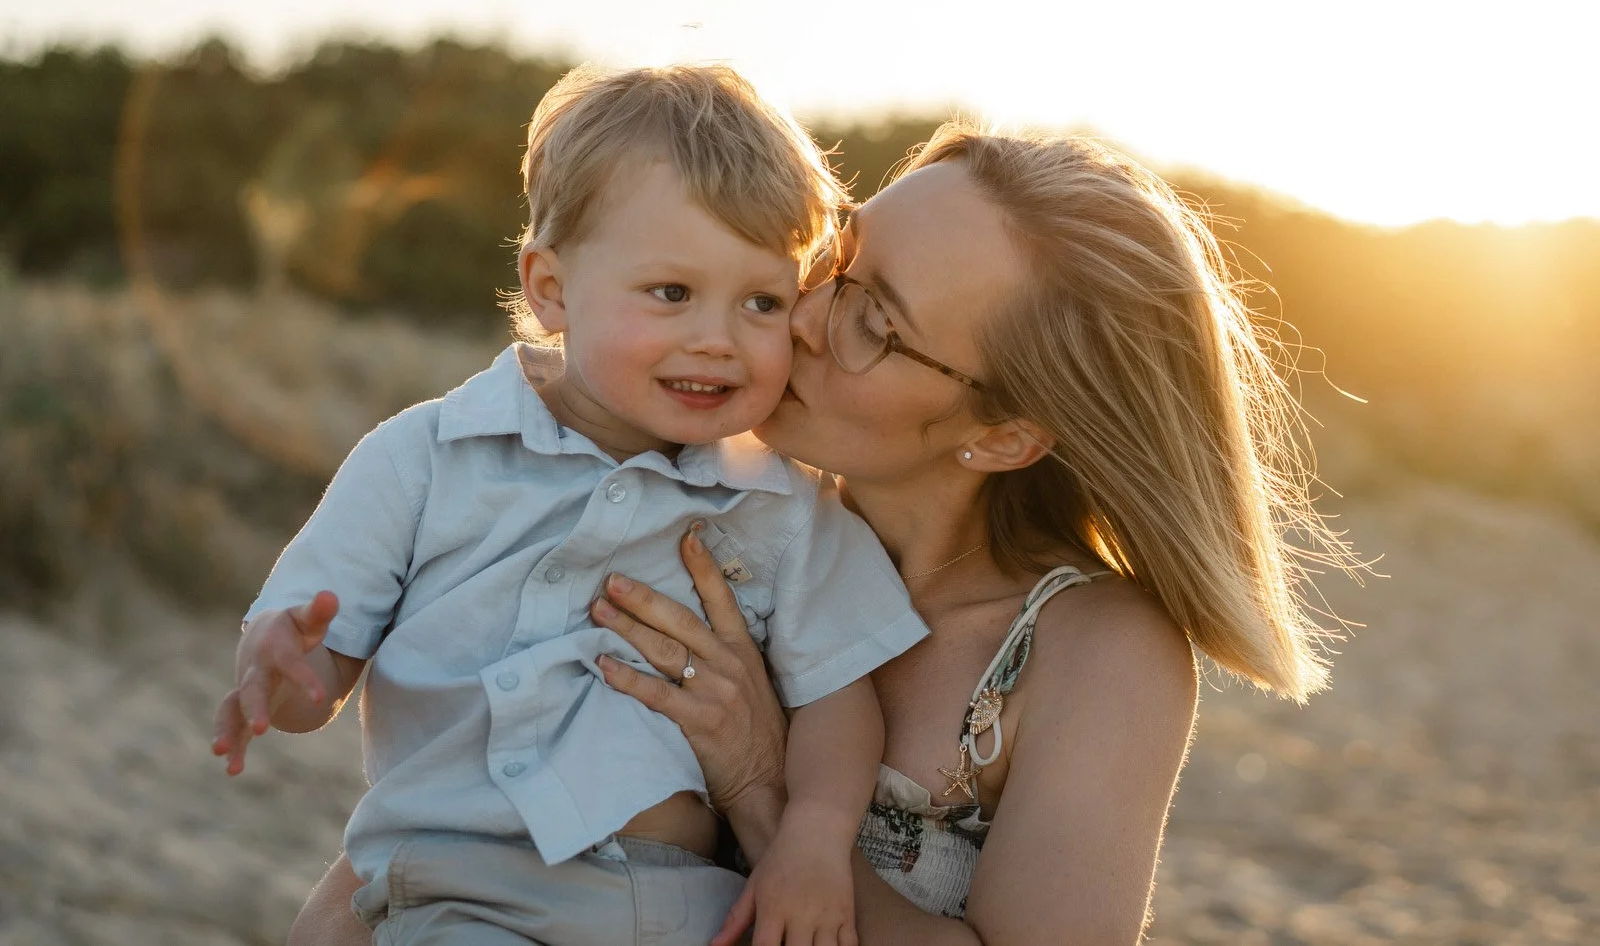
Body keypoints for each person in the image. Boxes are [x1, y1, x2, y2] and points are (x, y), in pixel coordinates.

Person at [287, 120, 1357, 945]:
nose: (797, 315)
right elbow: (455, 803)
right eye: (829, 260)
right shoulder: (697, 512)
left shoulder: (1093, 650)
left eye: (872, 320)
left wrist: (764, 792)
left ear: (1003, 433)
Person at [211, 64, 932, 946]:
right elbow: (315, 683)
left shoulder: (783, 498)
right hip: (463, 890)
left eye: (763, 301)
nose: (718, 337)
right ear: (551, 289)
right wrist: (286, 671)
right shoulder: (426, 458)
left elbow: (837, 693)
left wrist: (814, 836)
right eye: (672, 292)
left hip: (691, 903)